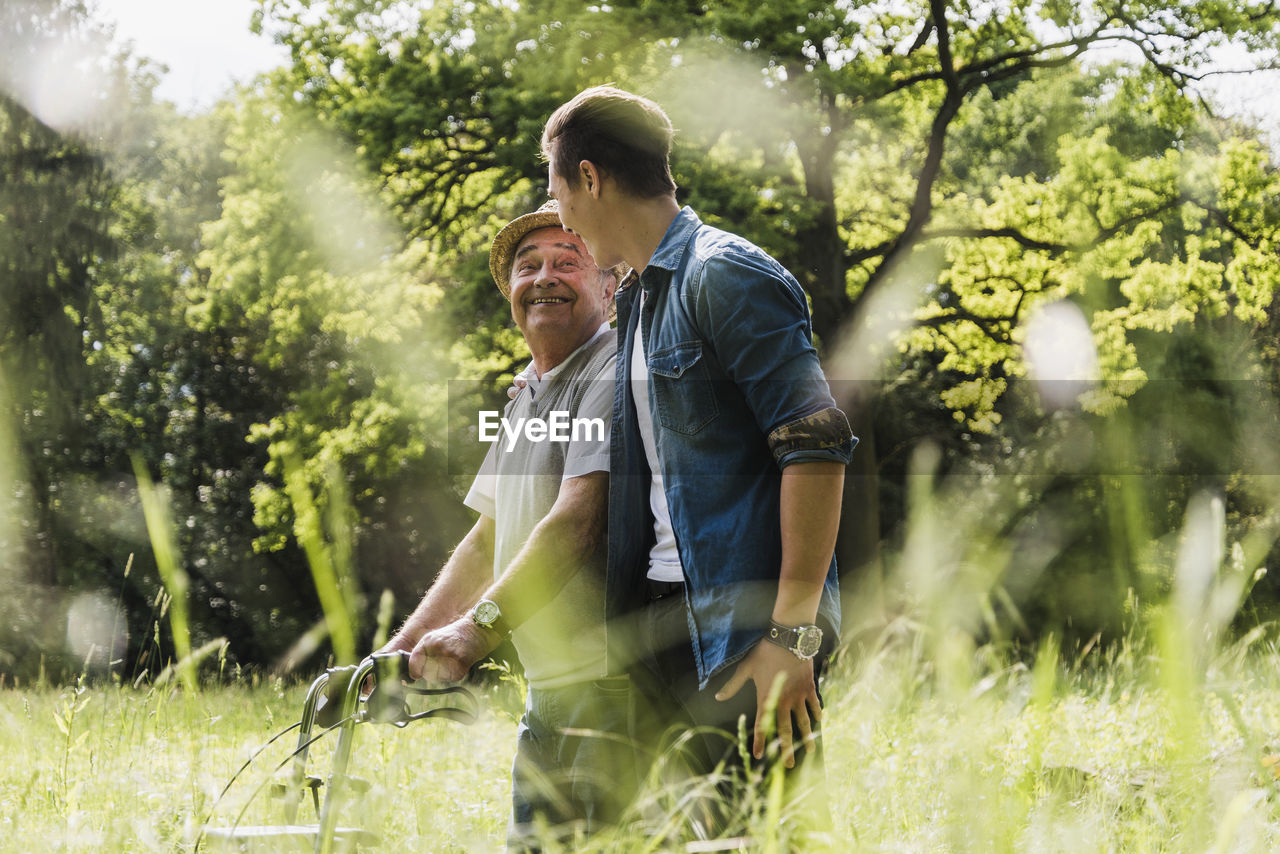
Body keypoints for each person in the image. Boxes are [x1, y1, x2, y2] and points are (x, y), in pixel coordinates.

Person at [542, 86, 856, 829]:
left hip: (742, 636)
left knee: (762, 836)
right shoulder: (640, 298)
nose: (559, 217)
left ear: (590, 177)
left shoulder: (726, 275)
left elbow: (815, 448)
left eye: (557, 193)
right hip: (657, 624)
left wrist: (791, 638)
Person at [376, 200, 633, 850]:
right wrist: (399, 650)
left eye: (565, 261)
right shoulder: (529, 390)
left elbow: (577, 520)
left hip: (615, 685)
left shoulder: (614, 370)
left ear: (609, 284)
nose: (543, 276)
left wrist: (476, 632)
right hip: (551, 685)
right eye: (527, 265)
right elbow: (487, 539)